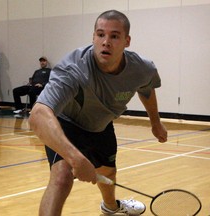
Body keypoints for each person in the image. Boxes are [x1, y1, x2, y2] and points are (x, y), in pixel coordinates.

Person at [29, 10, 168, 216]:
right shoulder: (74, 69)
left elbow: (146, 89)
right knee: (61, 178)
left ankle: (110, 207)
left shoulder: (141, 68)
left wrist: (155, 123)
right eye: (100, 34)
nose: (106, 42)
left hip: (101, 124)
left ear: (127, 41)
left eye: (114, 36)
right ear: (93, 37)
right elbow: (38, 115)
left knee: (108, 172)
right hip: (66, 123)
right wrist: (76, 158)